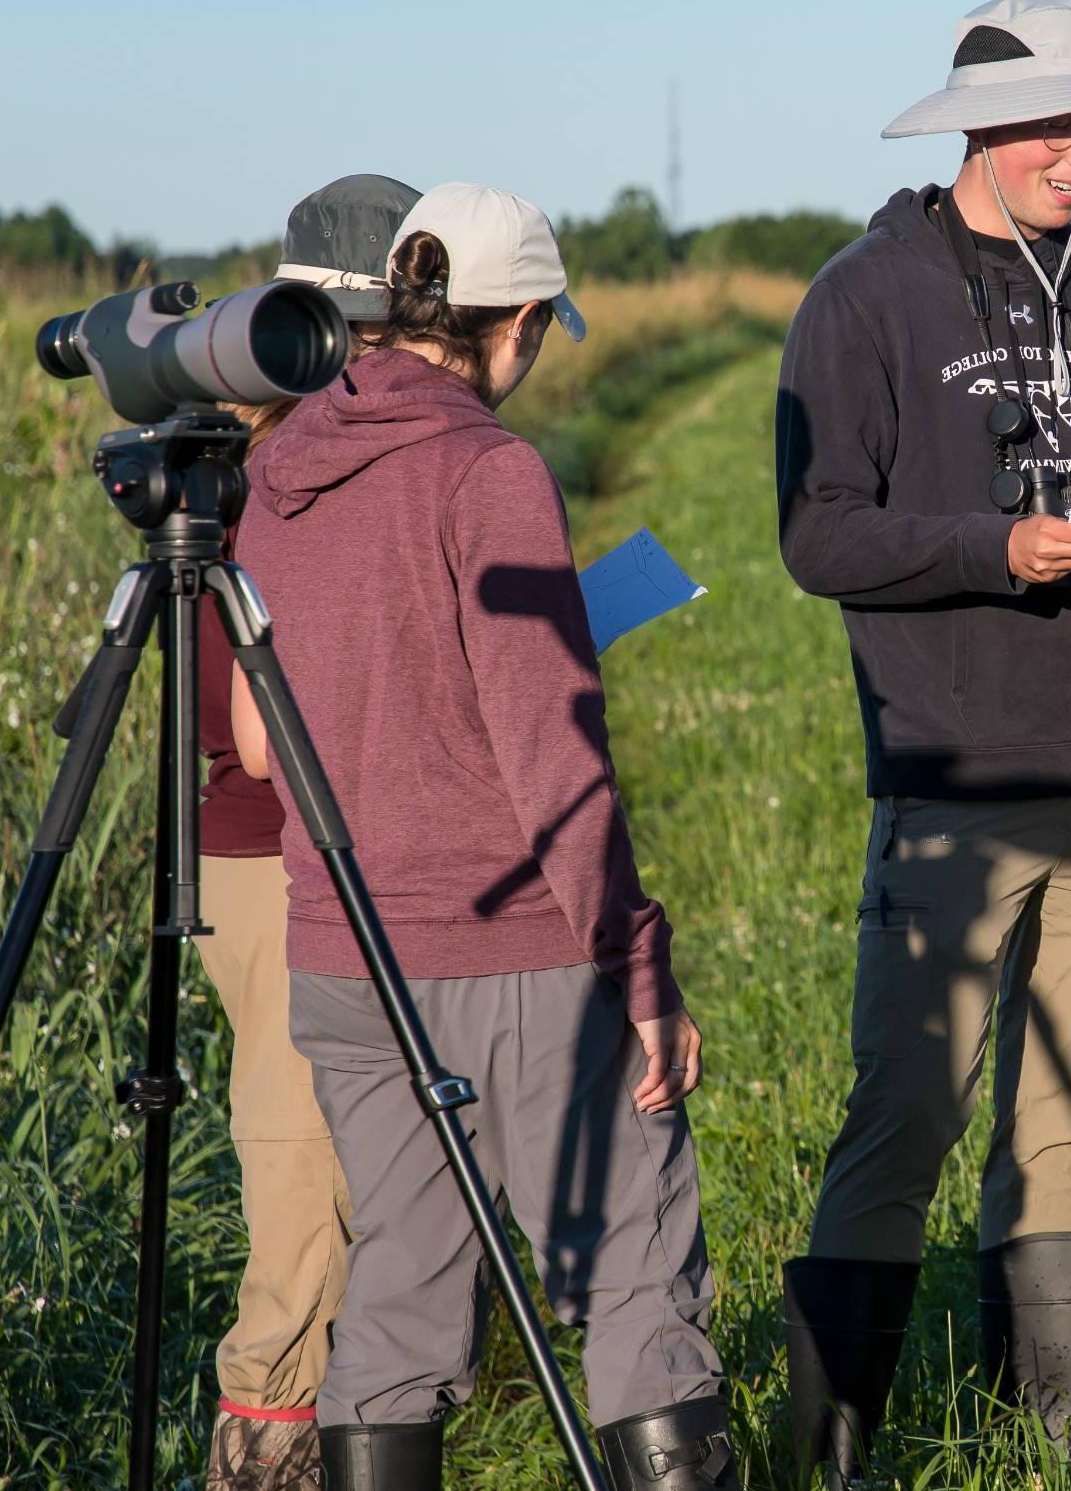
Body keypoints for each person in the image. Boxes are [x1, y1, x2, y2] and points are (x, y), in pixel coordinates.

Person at [773, 0, 1071, 1482]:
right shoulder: (866, 294)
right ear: (982, 127)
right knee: (903, 1119)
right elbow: (818, 536)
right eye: (1060, 126)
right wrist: (1002, 548)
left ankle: (1054, 1446)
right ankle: (830, 1452)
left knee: (1067, 1128)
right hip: (955, 776)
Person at [233, 183, 737, 1490]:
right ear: (514, 322)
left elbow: (251, 732)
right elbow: (551, 760)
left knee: (396, 1296)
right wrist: (639, 964)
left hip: (341, 960)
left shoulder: (275, 468)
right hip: (505, 944)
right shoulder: (489, 470)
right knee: (635, 1279)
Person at [192, 173, 417, 1490]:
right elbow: (266, 710)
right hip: (279, 854)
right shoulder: (273, 476)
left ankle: (363, 1423)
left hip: (320, 839)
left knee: (339, 1159)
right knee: (303, 1171)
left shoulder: (292, 459)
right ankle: (270, 1447)